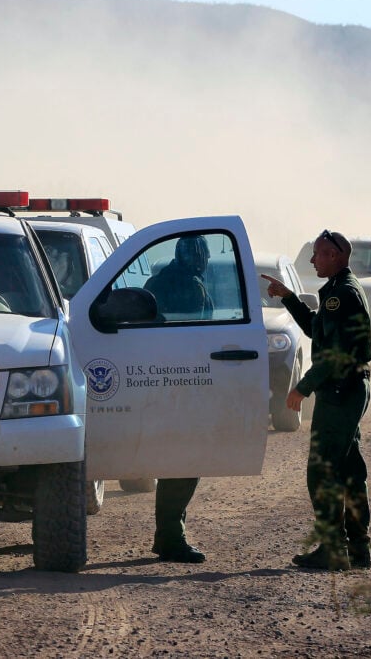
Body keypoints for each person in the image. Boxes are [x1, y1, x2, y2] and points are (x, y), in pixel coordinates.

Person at [262, 229, 371, 571]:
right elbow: (316, 329)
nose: (312, 260)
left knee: (322, 472)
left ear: (335, 256)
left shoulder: (343, 294)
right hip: (347, 390)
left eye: (318, 254)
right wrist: (289, 297)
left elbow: (335, 354)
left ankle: (333, 549)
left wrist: (303, 387)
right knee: (349, 470)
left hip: (340, 392)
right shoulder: (340, 290)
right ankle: (357, 549)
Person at [142, 235, 214, 563]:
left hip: (160, 381)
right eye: (202, 255)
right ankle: (171, 536)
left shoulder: (156, 282)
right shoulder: (192, 288)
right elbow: (199, 338)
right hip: (185, 382)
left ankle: (169, 534)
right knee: (185, 459)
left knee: (178, 460)